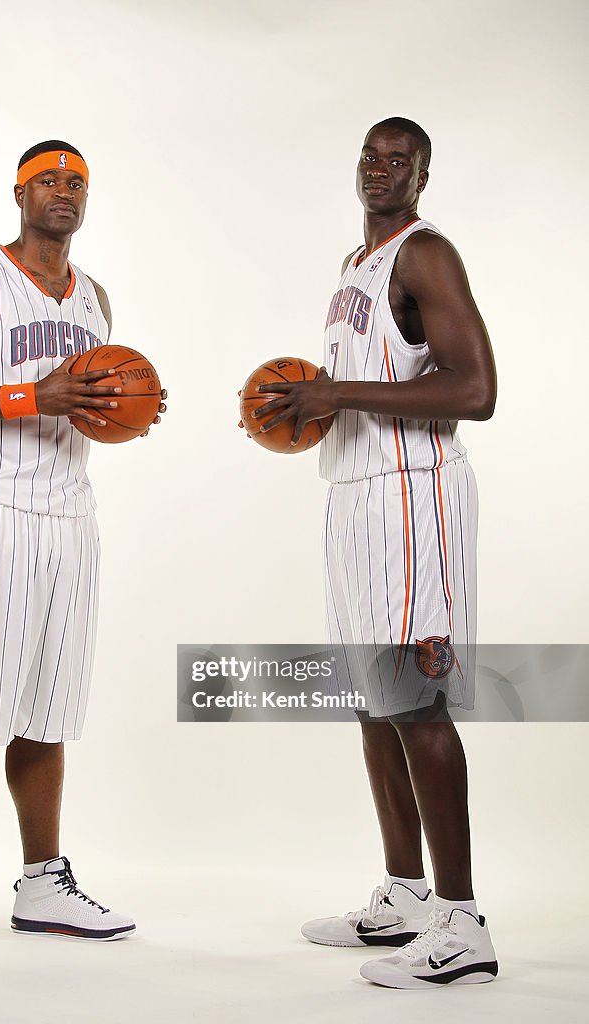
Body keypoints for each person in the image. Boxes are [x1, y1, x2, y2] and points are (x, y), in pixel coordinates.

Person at [0, 140, 166, 971]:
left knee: (49, 712)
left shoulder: (96, 299)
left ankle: (42, 882)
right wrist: (31, 395)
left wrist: (127, 403)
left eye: (77, 182)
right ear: (19, 192)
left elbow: (84, 402)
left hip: (68, 518)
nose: (64, 191)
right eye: (49, 178)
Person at [250, 117, 498, 989]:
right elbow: (366, 380)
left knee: (418, 703)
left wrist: (331, 390)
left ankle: (463, 924)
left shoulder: (427, 253)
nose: (382, 170)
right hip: (353, 496)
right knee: (370, 698)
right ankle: (403, 893)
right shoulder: (357, 265)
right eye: (372, 157)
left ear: (424, 176)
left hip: (414, 493)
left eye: (402, 161)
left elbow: (475, 389)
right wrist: (301, 409)